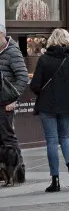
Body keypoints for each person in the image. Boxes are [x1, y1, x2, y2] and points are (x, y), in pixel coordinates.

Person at [30, 29, 69, 192]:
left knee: (52, 141)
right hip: (67, 105)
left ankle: (55, 179)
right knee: (66, 137)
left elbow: (35, 85)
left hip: (47, 105)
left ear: (51, 41)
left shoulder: (44, 60)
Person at [0, 23, 29, 185]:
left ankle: (16, 174)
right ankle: (3, 173)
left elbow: (22, 77)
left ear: (1, 35)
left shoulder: (12, 52)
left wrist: (13, 99)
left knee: (8, 139)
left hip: (6, 103)